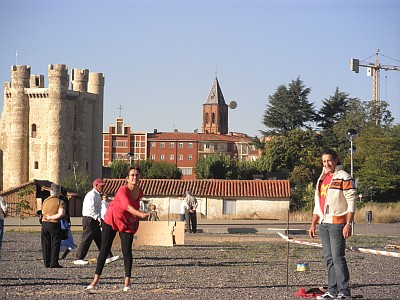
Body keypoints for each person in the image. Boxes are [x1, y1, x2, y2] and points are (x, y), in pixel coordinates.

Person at [86, 166, 149, 292]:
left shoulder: (140, 192)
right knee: (104, 249)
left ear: (140, 178)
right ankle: (95, 280)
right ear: (127, 178)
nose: (134, 177)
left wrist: (139, 215)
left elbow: (133, 209)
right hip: (112, 219)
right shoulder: (122, 190)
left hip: (126, 222)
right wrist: (140, 214)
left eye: (137, 175)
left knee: (127, 251)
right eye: (132, 175)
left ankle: (127, 282)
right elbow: (127, 206)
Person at [309, 149, 356, 300]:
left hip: (337, 224)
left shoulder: (344, 177)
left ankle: (344, 292)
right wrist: (313, 223)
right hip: (324, 224)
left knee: (338, 257)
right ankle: (332, 290)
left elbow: (351, 202)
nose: (327, 164)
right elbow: (318, 204)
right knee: (329, 258)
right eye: (324, 161)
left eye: (329, 160)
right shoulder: (322, 179)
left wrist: (348, 223)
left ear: (336, 160)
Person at [74, 179, 118, 265]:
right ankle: (78, 257)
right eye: (101, 185)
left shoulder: (97, 195)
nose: (102, 187)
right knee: (86, 238)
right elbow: (91, 210)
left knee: (100, 239)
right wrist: (98, 218)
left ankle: (107, 256)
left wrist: (98, 218)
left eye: (103, 185)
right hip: (89, 219)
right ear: (95, 186)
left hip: (94, 219)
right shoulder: (91, 195)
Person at [41, 183, 65, 268]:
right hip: (54, 224)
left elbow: (43, 212)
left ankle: (46, 262)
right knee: (55, 243)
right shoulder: (60, 201)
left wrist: (47, 217)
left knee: (46, 243)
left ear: (51, 191)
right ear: (59, 192)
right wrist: (52, 217)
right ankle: (54, 263)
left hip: (44, 224)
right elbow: (61, 214)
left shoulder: (45, 201)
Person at [60, 187, 77, 260]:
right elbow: (67, 211)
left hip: (60, 219)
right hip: (65, 219)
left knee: (60, 237)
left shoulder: (59, 199)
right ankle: (67, 250)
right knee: (68, 236)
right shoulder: (65, 199)